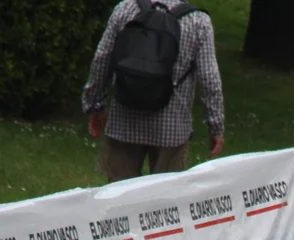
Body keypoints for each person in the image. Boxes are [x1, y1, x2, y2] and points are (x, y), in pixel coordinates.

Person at [81, 0, 225, 182]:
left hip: (124, 120)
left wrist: (95, 105)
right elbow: (209, 78)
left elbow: (102, 59)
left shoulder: (126, 9)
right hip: (172, 127)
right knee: (166, 195)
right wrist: (215, 127)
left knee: (119, 194)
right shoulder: (197, 20)